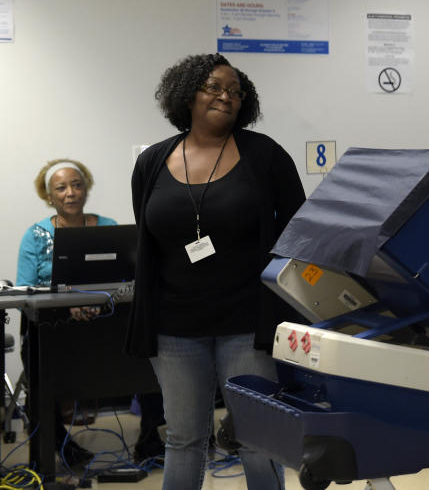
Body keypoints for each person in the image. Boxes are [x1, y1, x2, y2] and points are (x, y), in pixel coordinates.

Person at [126, 53, 305, 490]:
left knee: (257, 440)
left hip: (247, 322)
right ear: (187, 95)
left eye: (235, 91)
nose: (226, 97)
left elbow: (298, 230)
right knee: (185, 439)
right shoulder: (152, 162)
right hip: (173, 326)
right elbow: (148, 240)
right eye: (214, 87)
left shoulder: (265, 155)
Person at [16, 159, 111, 466]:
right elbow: (25, 288)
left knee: (152, 348)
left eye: (77, 185)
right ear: (50, 196)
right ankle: (57, 444)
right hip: (53, 326)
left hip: (106, 320)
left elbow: (126, 274)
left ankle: (151, 439)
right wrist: (68, 304)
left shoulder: (108, 226)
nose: (71, 193)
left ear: (87, 189)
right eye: (61, 188)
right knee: (40, 371)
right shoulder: (35, 235)